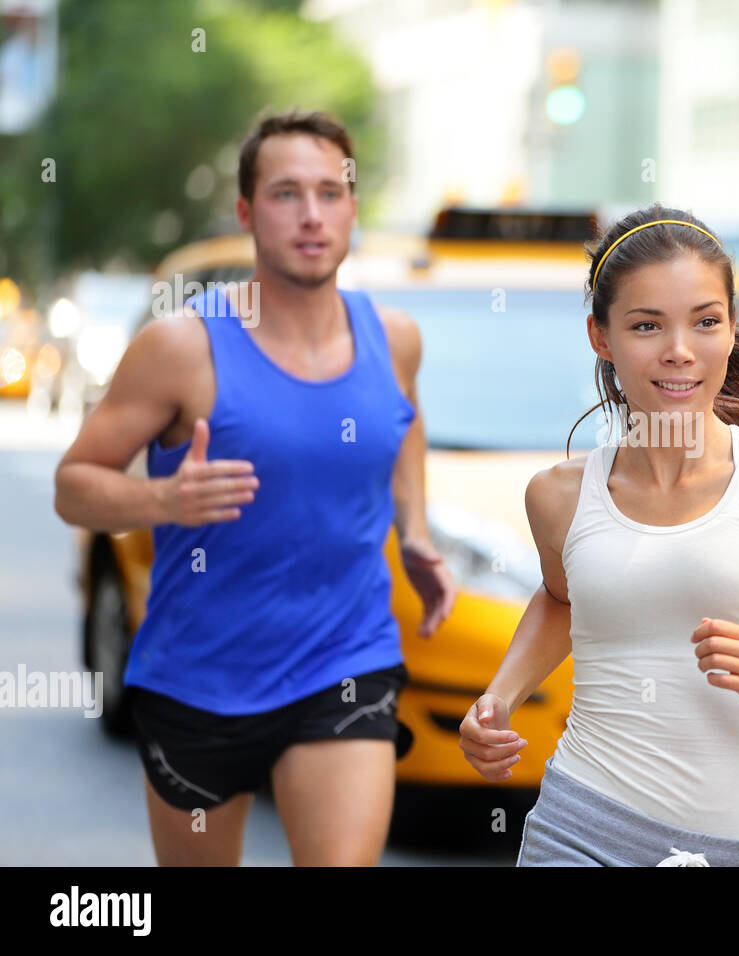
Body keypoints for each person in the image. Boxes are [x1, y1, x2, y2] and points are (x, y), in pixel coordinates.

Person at [53, 110, 456, 866]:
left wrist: (416, 531)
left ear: (353, 207)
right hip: (200, 676)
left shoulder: (394, 337)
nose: (312, 214)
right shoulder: (180, 348)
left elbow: (402, 422)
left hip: (344, 659)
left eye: (331, 193)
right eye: (285, 193)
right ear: (246, 212)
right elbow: (74, 486)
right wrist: (162, 502)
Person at [458, 204, 739, 866]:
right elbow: (561, 598)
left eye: (705, 322)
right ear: (602, 337)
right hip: (581, 824)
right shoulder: (558, 495)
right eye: (647, 325)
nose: (680, 349)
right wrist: (499, 696)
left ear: (734, 328)